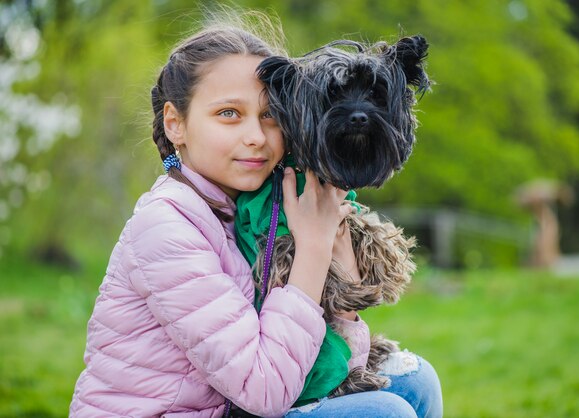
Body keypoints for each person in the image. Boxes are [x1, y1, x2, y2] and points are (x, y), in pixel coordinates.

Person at [70, 10, 442, 418]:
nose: (255, 137)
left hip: (237, 402)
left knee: (418, 380)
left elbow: (327, 361)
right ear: (176, 124)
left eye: (270, 117)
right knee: (385, 413)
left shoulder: (251, 207)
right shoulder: (166, 230)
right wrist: (315, 246)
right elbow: (264, 391)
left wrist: (346, 293)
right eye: (228, 114)